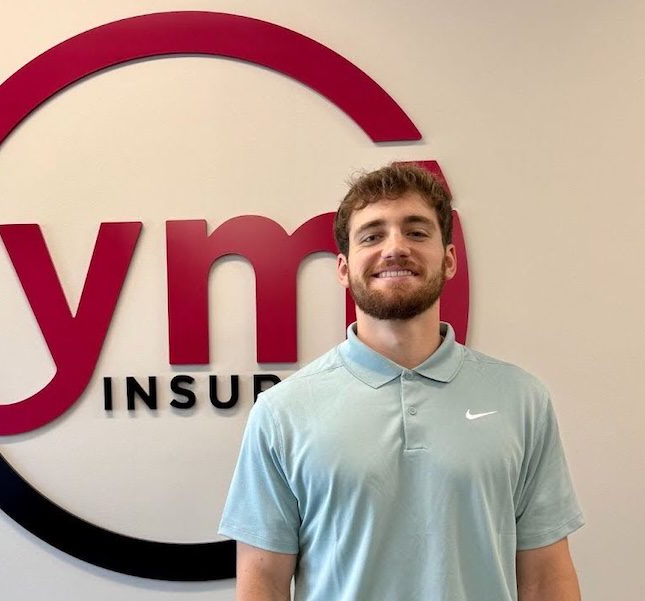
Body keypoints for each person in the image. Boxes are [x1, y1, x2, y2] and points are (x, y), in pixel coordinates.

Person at [218, 163, 584, 601]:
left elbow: (546, 578)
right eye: (372, 236)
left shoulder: (521, 400)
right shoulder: (281, 413)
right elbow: (263, 585)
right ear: (343, 268)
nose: (395, 248)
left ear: (448, 260)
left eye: (416, 232)